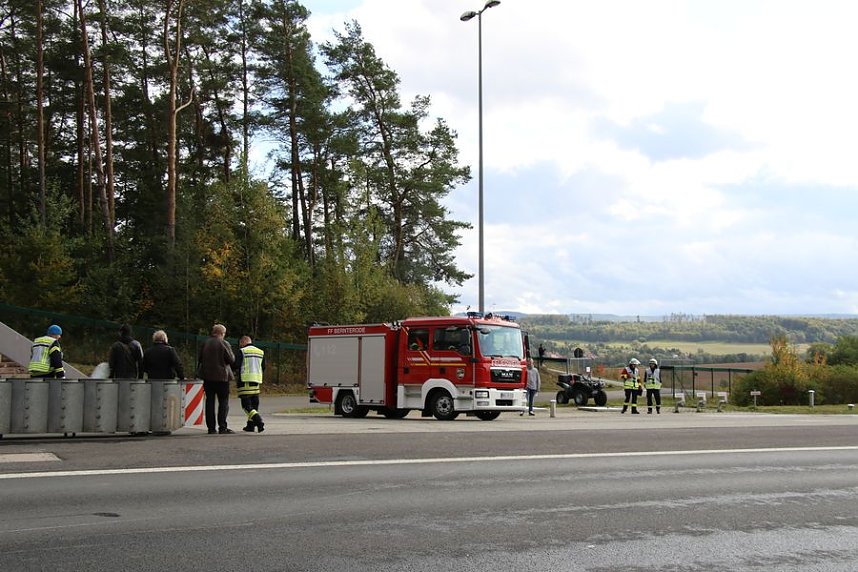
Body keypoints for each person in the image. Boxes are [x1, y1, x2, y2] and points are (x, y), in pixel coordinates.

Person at [197, 323, 235, 434]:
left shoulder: (205, 343)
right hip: (222, 377)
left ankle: (211, 428)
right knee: (223, 402)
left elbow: (199, 359)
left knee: (209, 402)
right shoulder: (224, 343)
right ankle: (222, 427)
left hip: (207, 377)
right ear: (222, 333)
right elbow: (231, 359)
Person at [235, 335, 265, 433]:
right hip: (256, 381)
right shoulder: (260, 352)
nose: (240, 345)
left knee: (246, 406)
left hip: (245, 381)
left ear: (243, 342)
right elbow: (263, 366)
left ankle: (258, 421)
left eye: (240, 343)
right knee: (254, 404)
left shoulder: (242, 351)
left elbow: (236, 365)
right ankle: (250, 426)